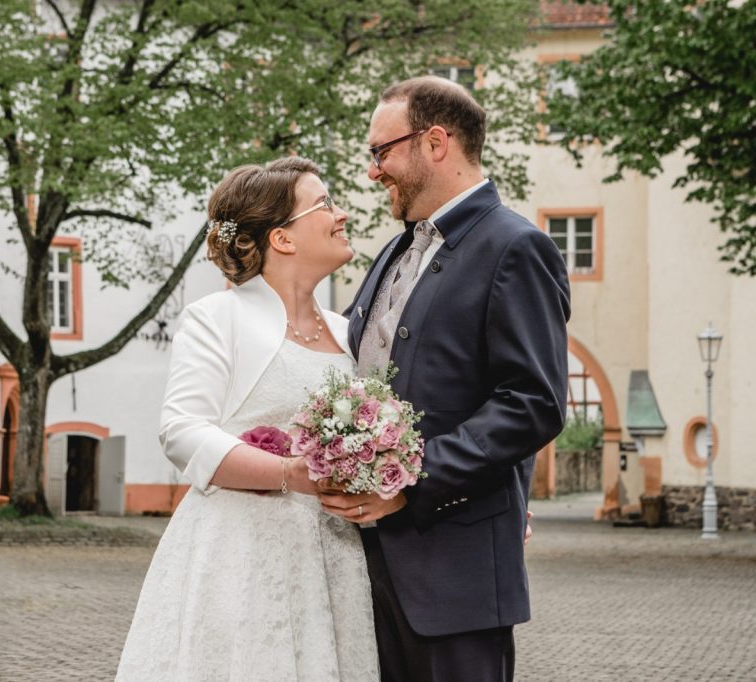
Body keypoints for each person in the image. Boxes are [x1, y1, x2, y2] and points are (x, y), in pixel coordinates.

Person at [319, 76, 571, 681]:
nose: (374, 171)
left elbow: (532, 403)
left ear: (436, 142)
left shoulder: (517, 247)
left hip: (457, 576)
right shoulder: (393, 252)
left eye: (381, 151)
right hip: (370, 568)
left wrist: (408, 479)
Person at [115, 157, 379, 681]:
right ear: (282, 239)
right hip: (241, 553)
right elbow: (182, 432)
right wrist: (289, 474)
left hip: (334, 555)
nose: (341, 213)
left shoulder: (350, 330)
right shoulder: (218, 318)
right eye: (325, 203)